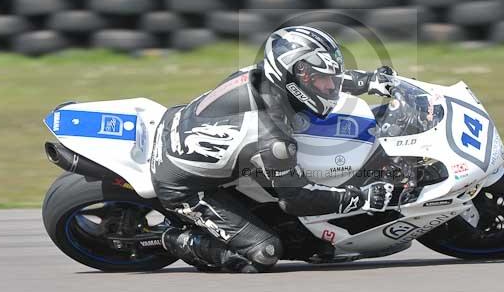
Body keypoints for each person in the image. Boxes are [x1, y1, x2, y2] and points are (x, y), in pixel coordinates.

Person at [152, 26, 397, 273]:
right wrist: (361, 198)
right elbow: (296, 200)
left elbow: (318, 81)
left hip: (179, 123)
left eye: (331, 79)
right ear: (295, 79)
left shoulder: (264, 75)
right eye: (324, 81)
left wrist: (368, 81)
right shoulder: (274, 140)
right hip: (183, 186)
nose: (330, 87)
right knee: (264, 253)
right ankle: (172, 238)